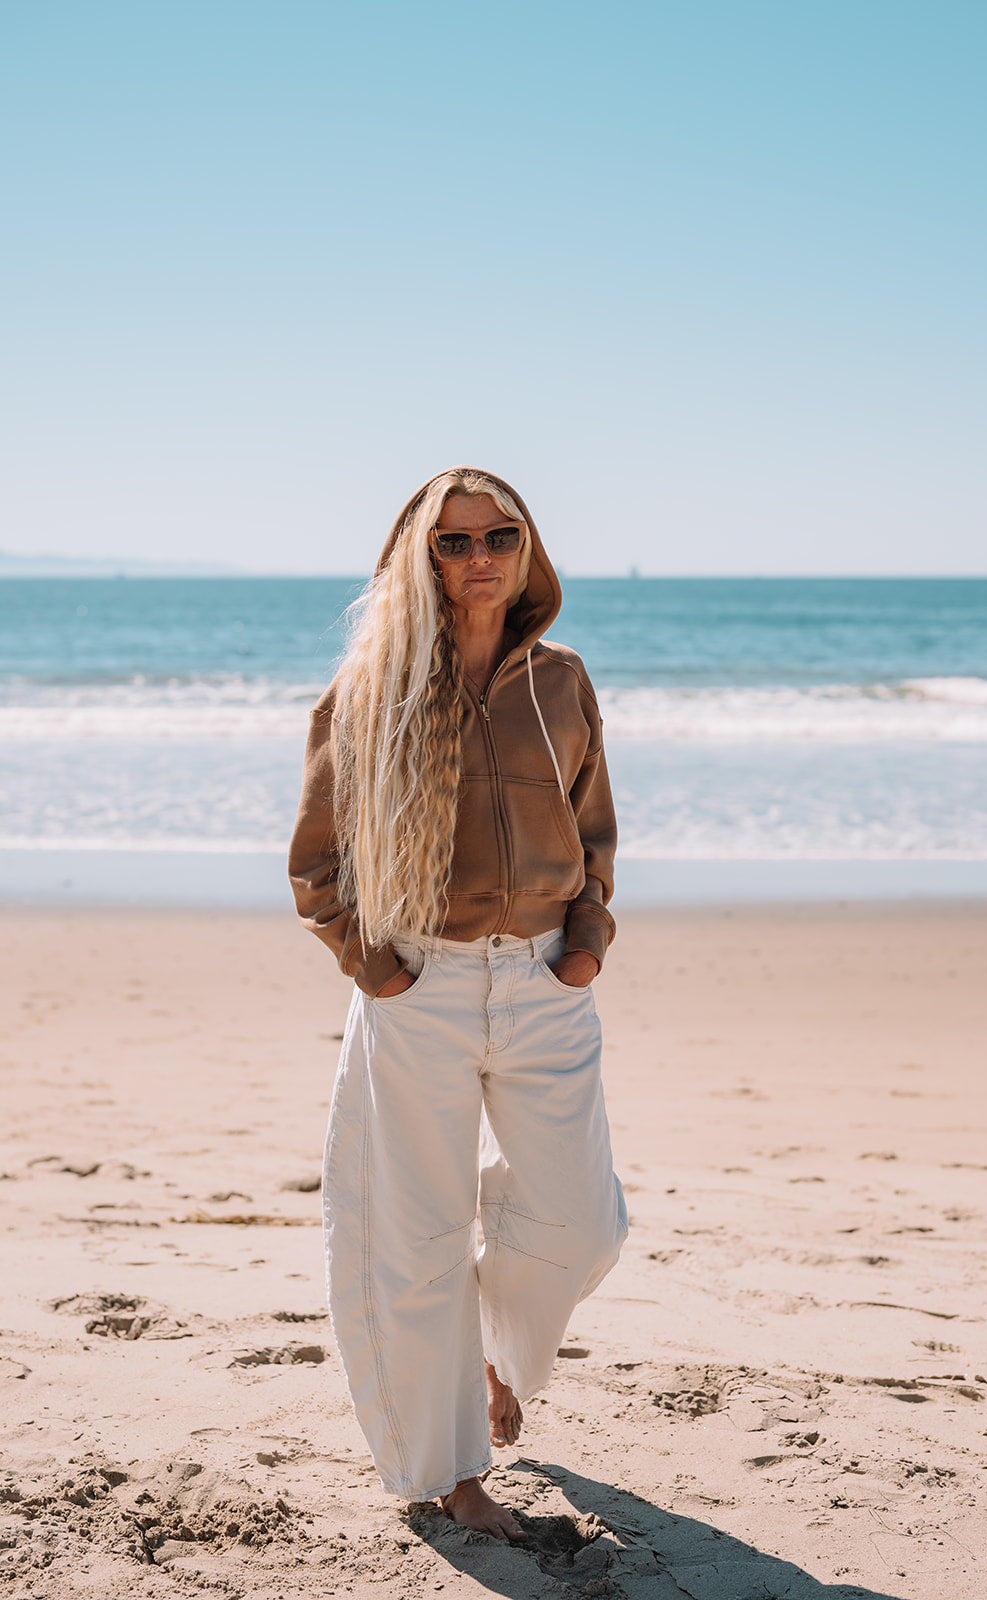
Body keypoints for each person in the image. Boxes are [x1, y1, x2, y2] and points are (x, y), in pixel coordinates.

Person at [288, 465, 628, 1541]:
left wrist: (584, 943)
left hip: (541, 985)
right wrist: (375, 966)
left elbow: (595, 831)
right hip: (420, 987)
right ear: (417, 556)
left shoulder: (562, 682)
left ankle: (495, 1358)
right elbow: (317, 863)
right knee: (419, 1238)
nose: (479, 557)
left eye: (499, 535)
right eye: (454, 541)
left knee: (580, 1221)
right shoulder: (370, 689)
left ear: (527, 548)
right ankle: (455, 1474)